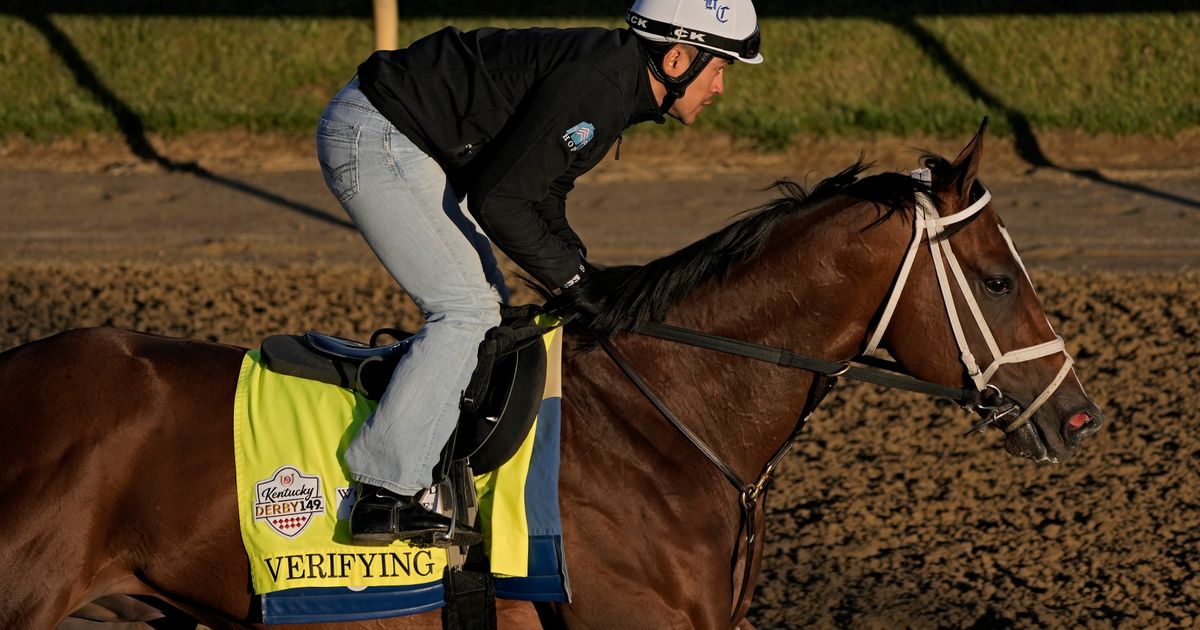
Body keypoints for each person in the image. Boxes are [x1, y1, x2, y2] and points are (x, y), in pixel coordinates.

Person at [315, 0, 763, 546]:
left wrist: (581, 276)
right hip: (377, 133)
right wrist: (577, 283)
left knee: (486, 308)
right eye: (720, 68)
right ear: (676, 60)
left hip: (404, 132)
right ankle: (383, 494)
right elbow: (500, 201)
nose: (720, 88)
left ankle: (432, 452)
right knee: (466, 310)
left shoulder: (617, 81)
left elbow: (542, 191)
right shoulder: (602, 84)